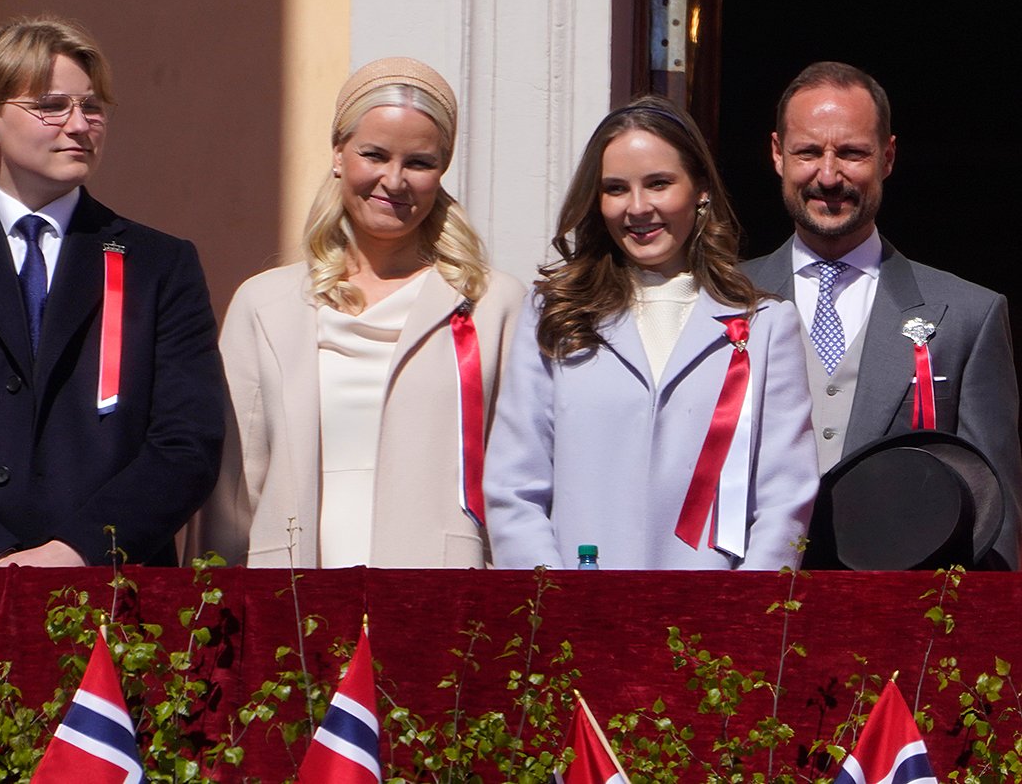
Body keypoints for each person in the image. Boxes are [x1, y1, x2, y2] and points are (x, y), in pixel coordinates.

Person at [0, 16, 224, 567]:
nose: (79, 125)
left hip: (109, 581)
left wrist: (75, 551)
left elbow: (187, 442)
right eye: (52, 106)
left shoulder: (159, 264)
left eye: (92, 107)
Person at [185, 57, 524, 568]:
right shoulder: (265, 305)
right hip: (294, 594)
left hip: (443, 592)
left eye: (419, 162)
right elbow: (235, 488)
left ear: (442, 170)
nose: (394, 180)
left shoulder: (494, 304)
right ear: (339, 154)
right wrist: (215, 598)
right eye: (374, 155)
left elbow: (517, 480)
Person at [484, 96, 818, 569]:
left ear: (700, 190)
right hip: (577, 606)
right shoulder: (553, 315)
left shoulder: (765, 325)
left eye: (659, 184)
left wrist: (741, 608)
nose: (638, 207)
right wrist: (554, 600)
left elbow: (784, 500)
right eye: (616, 188)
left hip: (714, 611)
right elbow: (514, 490)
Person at [741, 61, 1022, 569]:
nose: (829, 176)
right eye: (808, 152)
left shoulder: (969, 316)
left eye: (852, 153)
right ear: (778, 153)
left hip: (904, 607)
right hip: (745, 600)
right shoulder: (721, 303)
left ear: (887, 157)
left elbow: (994, 518)